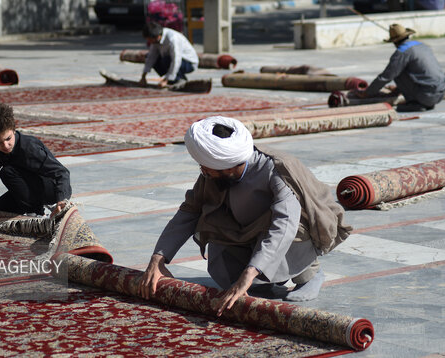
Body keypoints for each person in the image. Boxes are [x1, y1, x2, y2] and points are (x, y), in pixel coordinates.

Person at [139, 116, 351, 314]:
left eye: (206, 167)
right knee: (218, 237)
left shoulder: (276, 170)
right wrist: (158, 259)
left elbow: (283, 226)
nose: (202, 170)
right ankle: (266, 281)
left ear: (227, 167)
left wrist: (249, 274)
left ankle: (309, 274)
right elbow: (189, 211)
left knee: (294, 227)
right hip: (246, 229)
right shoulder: (212, 173)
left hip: (288, 228)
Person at [0, 103, 72, 218]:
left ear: (13, 130)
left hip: (50, 189)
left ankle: (37, 212)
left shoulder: (30, 147)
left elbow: (61, 172)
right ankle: (32, 205)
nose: (5, 146)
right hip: (26, 191)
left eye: (8, 139)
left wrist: (62, 199)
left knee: (7, 172)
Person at [358, 23, 445, 112]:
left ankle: (415, 103)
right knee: (402, 67)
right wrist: (398, 89)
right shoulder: (421, 45)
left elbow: (386, 76)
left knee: (396, 69)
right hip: (440, 93)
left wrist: (368, 93)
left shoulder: (402, 52)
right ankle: (425, 102)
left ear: (394, 42)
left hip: (426, 96)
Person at [140, 21, 199, 89]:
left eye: (150, 40)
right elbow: (151, 57)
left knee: (166, 60)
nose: (149, 42)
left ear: (157, 37)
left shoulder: (172, 38)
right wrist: (143, 77)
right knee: (151, 57)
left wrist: (166, 80)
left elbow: (176, 60)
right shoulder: (155, 40)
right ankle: (173, 79)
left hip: (189, 62)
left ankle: (177, 79)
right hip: (172, 60)